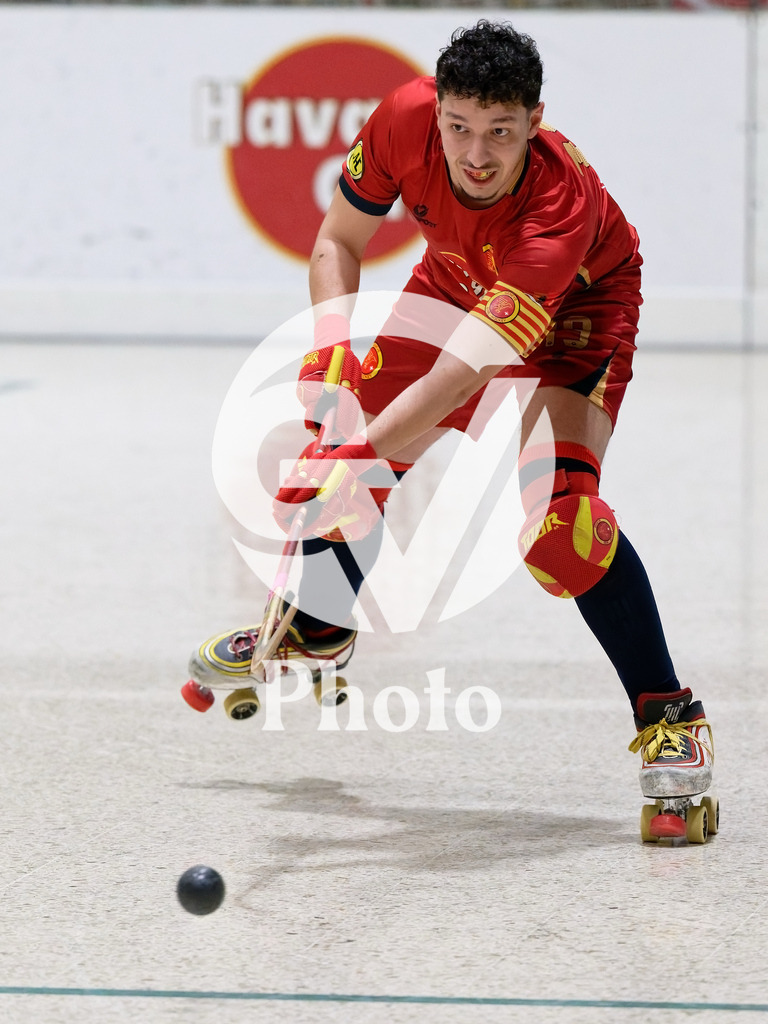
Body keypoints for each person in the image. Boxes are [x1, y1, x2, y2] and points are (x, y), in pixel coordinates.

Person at [190, 21, 715, 840]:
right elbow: (338, 239)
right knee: (349, 431)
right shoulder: (402, 116)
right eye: (460, 128)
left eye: (502, 133)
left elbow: (462, 373)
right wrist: (332, 366)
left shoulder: (558, 209)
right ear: (435, 110)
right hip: (458, 278)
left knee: (561, 531)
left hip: (581, 307)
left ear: (535, 123)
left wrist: (352, 454)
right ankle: (322, 622)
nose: (477, 154)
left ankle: (670, 717)